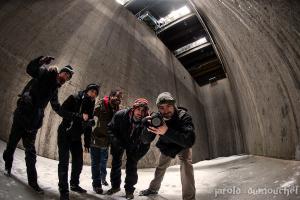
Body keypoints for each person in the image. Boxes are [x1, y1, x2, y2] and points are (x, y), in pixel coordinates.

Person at [2, 56, 74, 193]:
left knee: (31, 154)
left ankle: (33, 182)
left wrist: (73, 116)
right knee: (11, 144)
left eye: (68, 77)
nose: (66, 77)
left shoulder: (54, 90)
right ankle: (8, 165)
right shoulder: (45, 74)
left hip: (33, 124)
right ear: (60, 73)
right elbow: (30, 69)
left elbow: (56, 107)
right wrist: (40, 61)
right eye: (65, 73)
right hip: (21, 117)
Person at [139, 92, 196, 200]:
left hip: (182, 144)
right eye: (161, 108)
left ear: (174, 105)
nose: (166, 110)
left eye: (169, 106)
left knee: (186, 165)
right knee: (160, 167)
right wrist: (146, 128)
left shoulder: (183, 116)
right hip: (167, 145)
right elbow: (145, 140)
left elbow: (189, 140)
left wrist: (166, 131)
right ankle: (153, 189)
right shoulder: (157, 119)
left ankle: (189, 198)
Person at [57, 83, 99, 200]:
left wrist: (86, 143)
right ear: (87, 90)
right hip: (65, 133)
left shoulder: (91, 104)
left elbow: (88, 125)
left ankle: (74, 184)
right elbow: (61, 111)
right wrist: (79, 116)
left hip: (75, 137)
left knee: (78, 162)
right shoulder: (74, 98)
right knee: (64, 162)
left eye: (95, 93)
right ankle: (63, 190)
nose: (93, 94)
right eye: (92, 91)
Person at [106, 98, 154, 199]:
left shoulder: (148, 121)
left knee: (132, 166)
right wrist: (115, 141)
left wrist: (138, 155)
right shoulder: (120, 115)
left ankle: (129, 190)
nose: (140, 113)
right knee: (116, 163)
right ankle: (115, 186)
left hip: (134, 144)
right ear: (133, 108)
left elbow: (147, 142)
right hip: (120, 140)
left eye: (143, 111)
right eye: (138, 110)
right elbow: (110, 128)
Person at [90, 89, 123, 194]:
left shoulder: (117, 109)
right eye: (117, 97)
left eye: (120, 98)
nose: (119, 100)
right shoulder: (101, 105)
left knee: (103, 162)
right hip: (96, 139)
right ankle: (96, 184)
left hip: (106, 142)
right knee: (95, 163)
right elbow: (91, 118)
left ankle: (102, 179)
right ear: (111, 96)